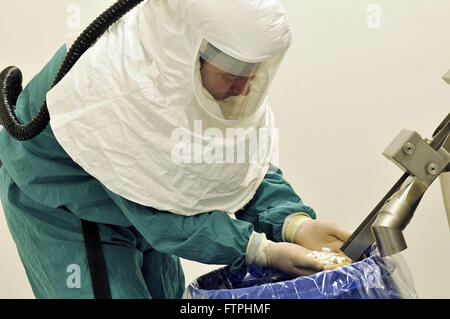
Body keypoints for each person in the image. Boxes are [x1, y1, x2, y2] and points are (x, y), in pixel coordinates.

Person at [0, 0, 351, 299]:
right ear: (188, 55)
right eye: (232, 74)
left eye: (253, 72)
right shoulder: (119, 93)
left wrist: (292, 222)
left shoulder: (191, 78)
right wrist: (261, 250)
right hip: (70, 209)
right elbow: (163, 218)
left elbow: (240, 166)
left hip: (147, 203)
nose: (245, 88)